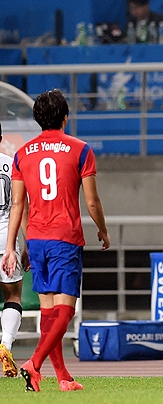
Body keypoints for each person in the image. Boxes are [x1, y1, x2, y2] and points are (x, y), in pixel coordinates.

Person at [1, 89, 110, 392]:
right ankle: (34, 364)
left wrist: (12, 246)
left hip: (35, 238)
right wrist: (102, 229)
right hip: (64, 237)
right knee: (65, 310)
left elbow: (17, 205)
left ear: (37, 119)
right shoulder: (80, 149)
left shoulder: (23, 154)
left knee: (49, 312)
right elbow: (92, 202)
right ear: (65, 117)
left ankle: (62, 377)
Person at [0, 122, 30, 378]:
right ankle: (6, 343)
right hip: (6, 242)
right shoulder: (13, 165)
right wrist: (28, 243)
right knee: (13, 296)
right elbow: (22, 207)